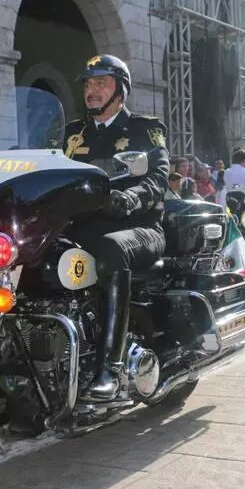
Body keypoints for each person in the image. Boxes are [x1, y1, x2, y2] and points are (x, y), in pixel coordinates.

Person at [61, 55, 169, 401]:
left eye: (101, 83)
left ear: (120, 91)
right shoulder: (72, 134)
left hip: (138, 228)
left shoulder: (143, 129)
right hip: (83, 227)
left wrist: (132, 197)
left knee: (109, 249)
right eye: (88, 84)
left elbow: (157, 178)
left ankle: (110, 367)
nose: (91, 90)